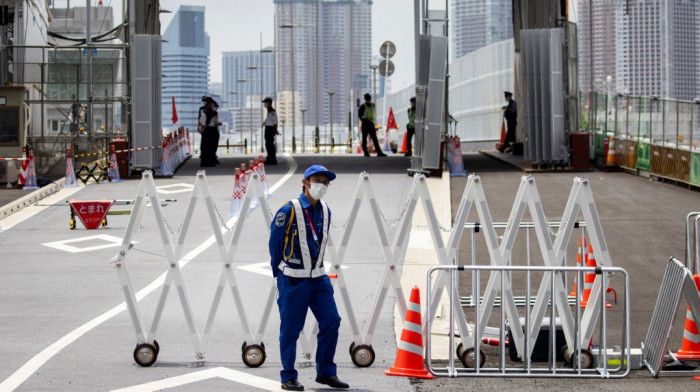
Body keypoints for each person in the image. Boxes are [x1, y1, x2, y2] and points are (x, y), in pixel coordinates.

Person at [269, 165, 349, 391]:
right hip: (294, 280)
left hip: (319, 280)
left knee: (332, 321)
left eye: (325, 182)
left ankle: (325, 372)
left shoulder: (325, 209)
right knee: (291, 329)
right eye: (317, 180)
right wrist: (279, 274)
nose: (321, 185)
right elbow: (274, 243)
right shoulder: (288, 210)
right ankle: (288, 376)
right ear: (304, 182)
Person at [358, 93, 387, 157]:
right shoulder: (362, 106)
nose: (368, 100)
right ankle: (366, 152)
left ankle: (379, 152)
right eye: (368, 98)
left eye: (369, 98)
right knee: (365, 138)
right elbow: (360, 116)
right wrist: (365, 119)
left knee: (374, 138)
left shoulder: (373, 105)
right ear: (365, 99)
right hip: (365, 123)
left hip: (370, 123)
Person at [198, 96, 218, 167]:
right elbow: (207, 121)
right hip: (209, 129)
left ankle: (203, 161)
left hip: (204, 129)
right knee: (209, 146)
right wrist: (203, 128)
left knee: (204, 145)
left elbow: (199, 119)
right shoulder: (209, 110)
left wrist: (199, 128)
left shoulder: (201, 109)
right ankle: (208, 162)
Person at [263, 97, 279, 165]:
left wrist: (275, 130)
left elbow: (275, 122)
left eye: (266, 103)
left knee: (270, 145)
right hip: (268, 128)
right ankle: (269, 158)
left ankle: (273, 159)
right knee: (268, 144)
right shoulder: (269, 111)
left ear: (269, 103)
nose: (265, 104)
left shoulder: (272, 112)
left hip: (270, 129)